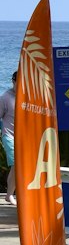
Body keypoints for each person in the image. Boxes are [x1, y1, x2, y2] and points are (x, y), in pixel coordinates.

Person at [0, 72, 15, 204]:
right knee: (16, 165)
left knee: (20, 166)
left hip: (24, 137)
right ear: (13, 81)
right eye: (17, 81)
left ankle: (10, 194)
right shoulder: (5, 97)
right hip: (9, 136)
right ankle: (10, 195)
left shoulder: (27, 96)